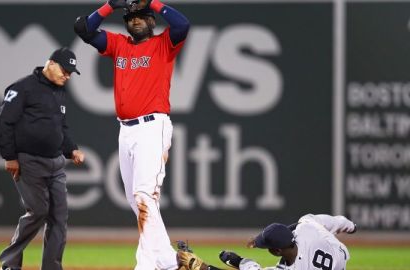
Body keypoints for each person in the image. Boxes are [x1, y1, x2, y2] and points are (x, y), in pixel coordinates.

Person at [74, 0, 190, 269]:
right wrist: (109, 6)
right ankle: (170, 261)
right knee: (136, 200)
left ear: (151, 21)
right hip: (125, 130)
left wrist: (152, 3)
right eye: (130, 17)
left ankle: (146, 264)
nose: (135, 21)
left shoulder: (163, 44)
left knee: (142, 196)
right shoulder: (119, 44)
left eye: (141, 16)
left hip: (152, 127)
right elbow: (84, 30)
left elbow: (183, 24)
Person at [0, 47, 85, 270]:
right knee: (39, 211)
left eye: (71, 72)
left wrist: (72, 150)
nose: (68, 75)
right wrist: (10, 157)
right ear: (51, 63)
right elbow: (3, 124)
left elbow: (60, 128)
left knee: (59, 218)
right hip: (28, 161)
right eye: (65, 70)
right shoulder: (23, 88)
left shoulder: (59, 92)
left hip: (56, 163)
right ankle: (9, 263)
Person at [177, 214, 357, 270]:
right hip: (339, 260)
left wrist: (204, 267)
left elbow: (252, 268)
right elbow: (340, 222)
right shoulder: (308, 226)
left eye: (267, 247)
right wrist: (352, 227)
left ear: (277, 251)